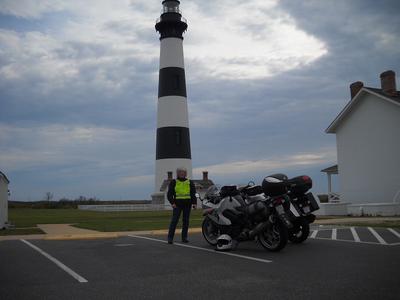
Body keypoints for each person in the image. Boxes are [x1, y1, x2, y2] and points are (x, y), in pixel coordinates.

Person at [167, 167, 197, 244]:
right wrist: (172, 203)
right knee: (174, 221)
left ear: (185, 173)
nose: (182, 174)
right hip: (177, 205)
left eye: (183, 172)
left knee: (186, 222)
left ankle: (184, 237)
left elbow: (193, 193)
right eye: (180, 172)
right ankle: (170, 238)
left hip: (187, 204)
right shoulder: (174, 182)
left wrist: (194, 203)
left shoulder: (189, 182)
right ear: (177, 173)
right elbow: (169, 194)